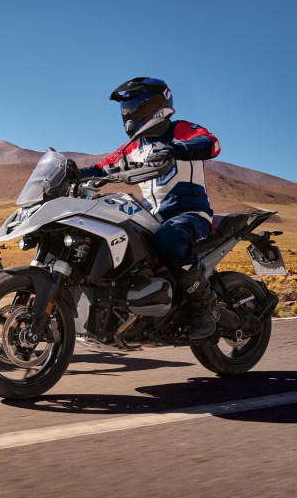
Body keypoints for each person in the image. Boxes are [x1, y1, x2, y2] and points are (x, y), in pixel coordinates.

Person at [78, 77, 221, 339]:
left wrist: (177, 149)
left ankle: (205, 304)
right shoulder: (134, 147)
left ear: (157, 105)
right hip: (151, 217)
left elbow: (211, 143)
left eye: (135, 106)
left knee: (168, 239)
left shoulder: (180, 130)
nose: (129, 114)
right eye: (126, 109)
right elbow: (102, 168)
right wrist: (73, 172)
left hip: (189, 213)